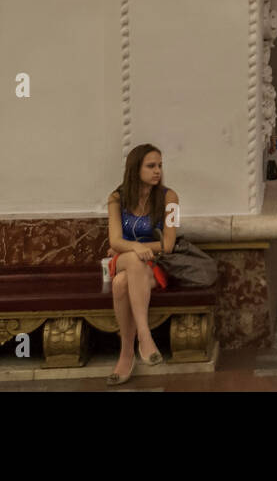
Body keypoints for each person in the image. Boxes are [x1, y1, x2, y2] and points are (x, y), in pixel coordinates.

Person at [105, 143, 178, 385]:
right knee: (131, 261)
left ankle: (126, 353)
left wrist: (137, 249)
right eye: (151, 166)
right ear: (136, 169)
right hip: (122, 259)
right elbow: (114, 240)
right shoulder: (116, 198)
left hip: (154, 266)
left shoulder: (171, 198)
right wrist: (135, 247)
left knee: (119, 284)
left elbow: (168, 244)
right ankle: (145, 339)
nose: (157, 170)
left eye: (160, 166)